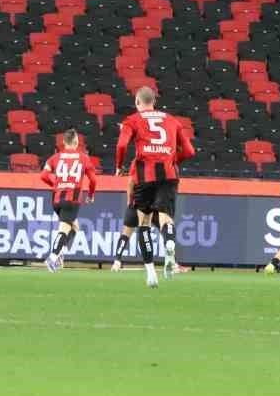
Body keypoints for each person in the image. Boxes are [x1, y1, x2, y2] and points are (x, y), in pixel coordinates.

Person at [115, 87, 195, 288]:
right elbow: (190, 151)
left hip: (145, 177)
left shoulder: (131, 120)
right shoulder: (172, 120)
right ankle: (169, 243)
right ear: (154, 101)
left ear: (137, 101)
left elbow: (122, 145)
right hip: (169, 175)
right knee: (166, 218)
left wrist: (118, 166)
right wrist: (173, 160)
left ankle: (151, 272)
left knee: (144, 222)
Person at [41, 129, 98, 272]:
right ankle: (53, 257)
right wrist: (91, 195)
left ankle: (60, 252)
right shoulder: (83, 158)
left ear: (64, 142)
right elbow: (93, 180)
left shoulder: (54, 157)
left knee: (75, 227)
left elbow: (43, 175)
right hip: (72, 199)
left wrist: (56, 185)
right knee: (65, 229)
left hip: (56, 199)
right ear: (77, 141)